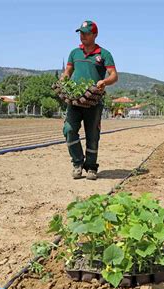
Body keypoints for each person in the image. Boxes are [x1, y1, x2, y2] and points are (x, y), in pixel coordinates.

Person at [60, 20, 118, 180]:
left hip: (93, 101)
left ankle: (91, 167)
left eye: (86, 33)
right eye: (81, 33)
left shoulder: (104, 54)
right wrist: (64, 79)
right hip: (75, 100)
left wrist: (104, 82)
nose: (82, 36)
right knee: (69, 130)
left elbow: (114, 75)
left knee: (93, 134)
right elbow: (68, 71)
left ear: (95, 34)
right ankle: (77, 163)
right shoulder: (74, 53)